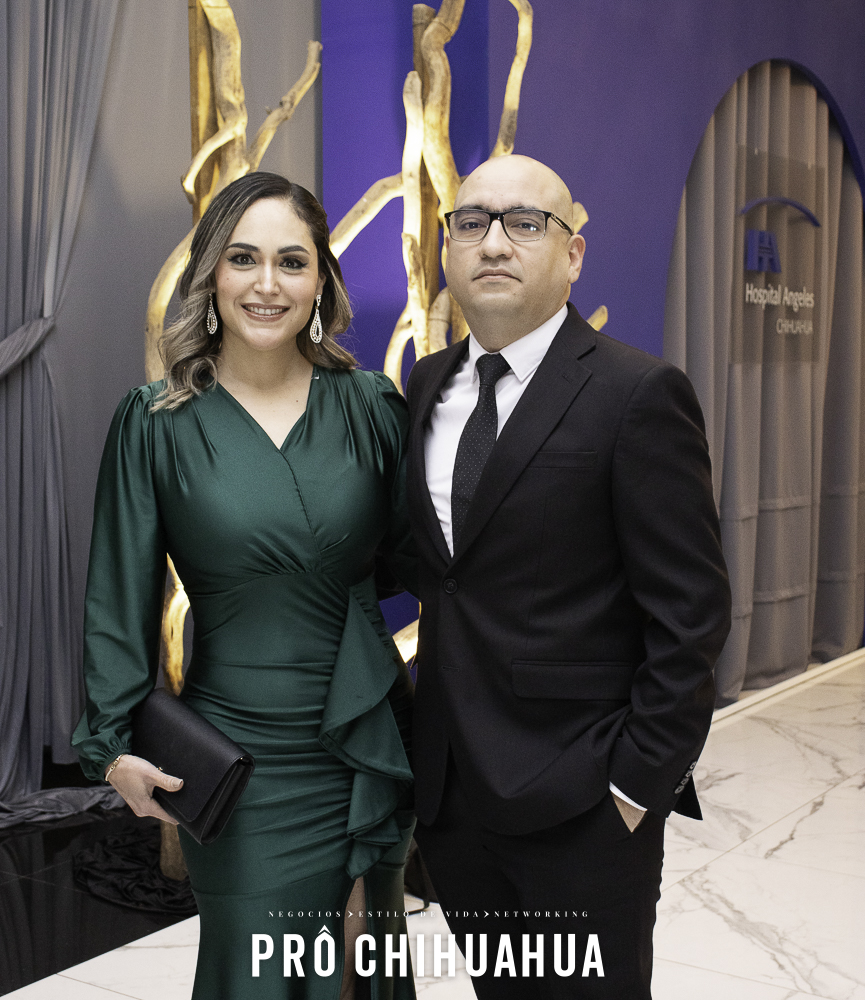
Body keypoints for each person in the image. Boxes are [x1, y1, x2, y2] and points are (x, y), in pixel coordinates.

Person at [73, 172, 417, 1000]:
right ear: (211, 275)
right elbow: (117, 597)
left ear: (320, 280)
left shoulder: (371, 406)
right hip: (239, 761)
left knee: (357, 968)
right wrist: (110, 746)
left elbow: (421, 562)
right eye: (243, 259)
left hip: (365, 734)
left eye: (291, 262)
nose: (267, 284)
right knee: (258, 973)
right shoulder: (154, 422)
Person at [404, 154, 732, 999]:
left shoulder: (637, 392)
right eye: (471, 223)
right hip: (453, 799)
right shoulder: (427, 383)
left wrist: (634, 785)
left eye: (524, 223)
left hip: (583, 803)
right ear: (447, 248)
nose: (493, 243)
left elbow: (690, 614)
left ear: (572, 254)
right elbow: (436, 569)